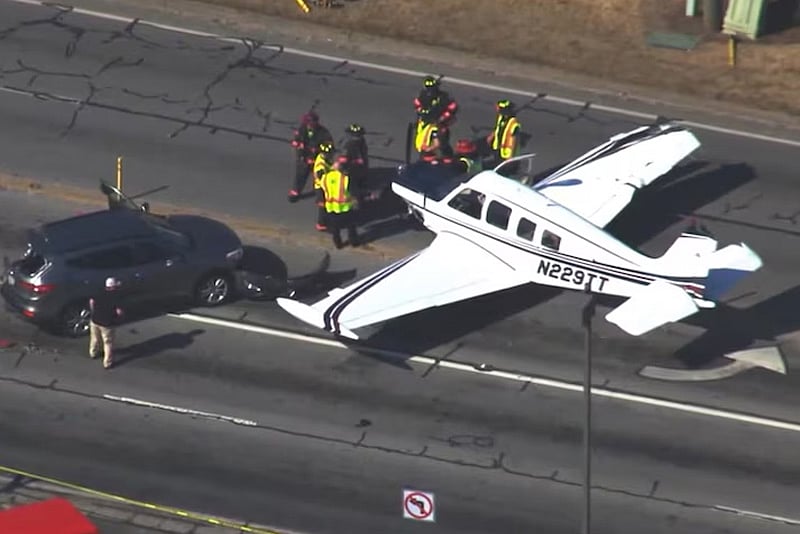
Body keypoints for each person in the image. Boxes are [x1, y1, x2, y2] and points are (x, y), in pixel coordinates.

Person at [288, 111, 332, 203]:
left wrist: (317, 151)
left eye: (311, 122)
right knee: (300, 176)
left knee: (320, 178)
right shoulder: (302, 129)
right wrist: (296, 143)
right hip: (303, 158)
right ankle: (296, 192)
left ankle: (322, 196)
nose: (310, 125)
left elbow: (329, 146)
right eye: (308, 122)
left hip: (317, 160)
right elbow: (297, 139)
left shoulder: (323, 132)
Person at [321, 160, 360, 249]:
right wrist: (355, 201)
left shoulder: (325, 178)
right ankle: (354, 242)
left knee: (335, 229)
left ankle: (338, 244)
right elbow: (352, 192)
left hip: (331, 207)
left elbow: (323, 189)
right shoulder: (345, 178)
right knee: (351, 226)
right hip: (345, 208)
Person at [88, 276, 125, 369]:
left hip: (95, 320)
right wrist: (120, 317)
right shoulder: (116, 296)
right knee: (108, 342)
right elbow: (119, 312)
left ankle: (93, 353)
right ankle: (107, 363)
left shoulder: (99, 291)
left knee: (95, 338)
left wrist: (94, 311)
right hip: (107, 323)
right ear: (113, 286)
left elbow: (91, 302)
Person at [486, 99, 522, 165]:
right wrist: (491, 136)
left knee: (504, 167)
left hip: (506, 152)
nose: (497, 109)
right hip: (497, 148)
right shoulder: (501, 117)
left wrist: (511, 155)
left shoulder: (513, 123)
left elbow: (514, 140)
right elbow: (498, 128)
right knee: (496, 163)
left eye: (498, 108)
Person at [339, 123, 369, 201]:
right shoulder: (348, 145)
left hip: (360, 168)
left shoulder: (362, 141)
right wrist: (346, 169)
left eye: (359, 135)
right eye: (356, 135)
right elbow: (343, 160)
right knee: (352, 189)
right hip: (351, 169)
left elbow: (363, 153)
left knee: (361, 182)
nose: (358, 137)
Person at [312, 140, 335, 231]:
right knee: (323, 205)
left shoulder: (323, 158)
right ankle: (321, 224)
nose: (332, 155)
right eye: (330, 153)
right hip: (321, 187)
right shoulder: (320, 166)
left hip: (324, 186)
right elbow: (321, 177)